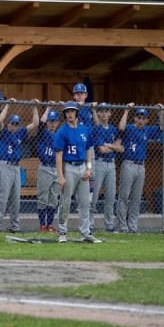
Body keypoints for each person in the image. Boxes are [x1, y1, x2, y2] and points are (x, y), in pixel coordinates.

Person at [53, 101, 100, 243]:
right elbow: (59, 156)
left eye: (72, 111)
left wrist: (89, 168)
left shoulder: (84, 129)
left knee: (85, 203)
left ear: (76, 113)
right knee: (65, 201)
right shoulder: (62, 131)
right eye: (67, 112)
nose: (70, 114)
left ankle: (85, 232)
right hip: (69, 167)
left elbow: (88, 150)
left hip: (83, 167)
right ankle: (62, 232)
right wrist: (60, 176)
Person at [0, 99, 39, 233]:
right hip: (5, 166)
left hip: (17, 168)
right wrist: (7, 105)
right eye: (13, 123)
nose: (15, 126)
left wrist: (34, 107)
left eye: (17, 124)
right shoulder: (3, 132)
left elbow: (35, 124)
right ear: (9, 124)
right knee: (2, 198)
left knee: (16, 199)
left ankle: (14, 226)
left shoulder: (20, 132)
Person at [116, 103, 164, 234]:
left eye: (143, 118)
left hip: (141, 166)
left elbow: (162, 127)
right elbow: (121, 127)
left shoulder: (147, 130)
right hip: (128, 164)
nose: (141, 120)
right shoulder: (130, 128)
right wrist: (126, 110)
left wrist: (160, 113)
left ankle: (133, 226)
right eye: (139, 117)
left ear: (147, 120)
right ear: (135, 118)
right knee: (124, 196)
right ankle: (122, 226)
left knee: (136, 198)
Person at [89, 102, 124, 233]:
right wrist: (112, 146)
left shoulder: (113, 129)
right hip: (99, 163)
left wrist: (110, 145)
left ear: (110, 113)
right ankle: (90, 223)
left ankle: (109, 223)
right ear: (98, 113)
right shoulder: (96, 129)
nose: (104, 113)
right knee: (95, 194)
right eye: (101, 111)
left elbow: (120, 148)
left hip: (111, 164)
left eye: (106, 111)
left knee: (110, 195)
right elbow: (102, 150)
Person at [35, 106, 61, 232]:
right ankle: (42, 225)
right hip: (45, 167)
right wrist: (48, 108)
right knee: (43, 198)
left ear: (57, 122)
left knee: (53, 198)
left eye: (54, 121)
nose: (52, 124)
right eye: (50, 121)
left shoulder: (60, 135)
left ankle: (50, 224)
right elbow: (40, 124)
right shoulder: (43, 132)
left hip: (56, 168)